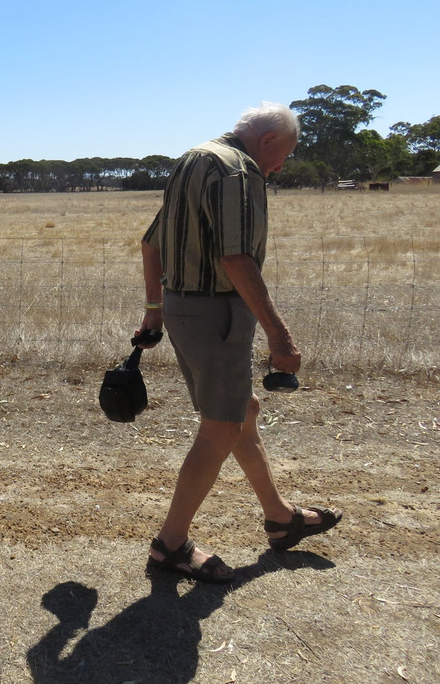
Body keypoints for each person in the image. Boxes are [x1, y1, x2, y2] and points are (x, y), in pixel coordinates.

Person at [137, 102, 342, 583]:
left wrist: (154, 311)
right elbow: (236, 257)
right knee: (221, 426)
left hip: (185, 308)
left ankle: (279, 517)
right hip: (217, 314)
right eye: (283, 156)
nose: (280, 167)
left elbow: (151, 243)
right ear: (267, 140)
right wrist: (279, 335)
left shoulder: (194, 159)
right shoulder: (238, 171)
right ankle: (170, 545)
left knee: (239, 411)